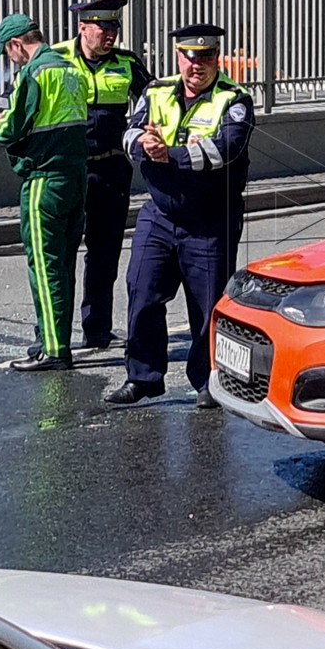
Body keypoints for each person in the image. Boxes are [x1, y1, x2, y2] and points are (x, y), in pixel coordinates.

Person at [107, 25, 255, 408]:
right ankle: (142, 377)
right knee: (141, 292)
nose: (197, 65)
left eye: (205, 57)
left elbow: (228, 148)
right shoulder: (154, 91)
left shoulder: (235, 99)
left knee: (208, 306)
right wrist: (142, 142)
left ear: (216, 59)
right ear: (178, 57)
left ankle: (209, 380)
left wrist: (168, 154)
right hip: (159, 214)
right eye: (190, 57)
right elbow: (128, 133)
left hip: (209, 218)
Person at [0, 14, 88, 372]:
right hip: (75, 176)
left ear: (17, 44)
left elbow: (14, 126)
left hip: (45, 179)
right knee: (64, 264)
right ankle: (51, 338)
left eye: (8, 52)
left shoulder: (35, 72)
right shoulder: (70, 68)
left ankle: (55, 349)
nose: (11, 60)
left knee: (44, 266)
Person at [51, 0, 154, 352]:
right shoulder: (56, 59)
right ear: (82, 28)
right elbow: (19, 97)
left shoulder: (127, 63)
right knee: (60, 254)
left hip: (111, 169)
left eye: (115, 28)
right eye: (103, 28)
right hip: (69, 169)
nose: (110, 35)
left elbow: (156, 99)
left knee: (104, 253)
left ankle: (97, 329)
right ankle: (51, 336)